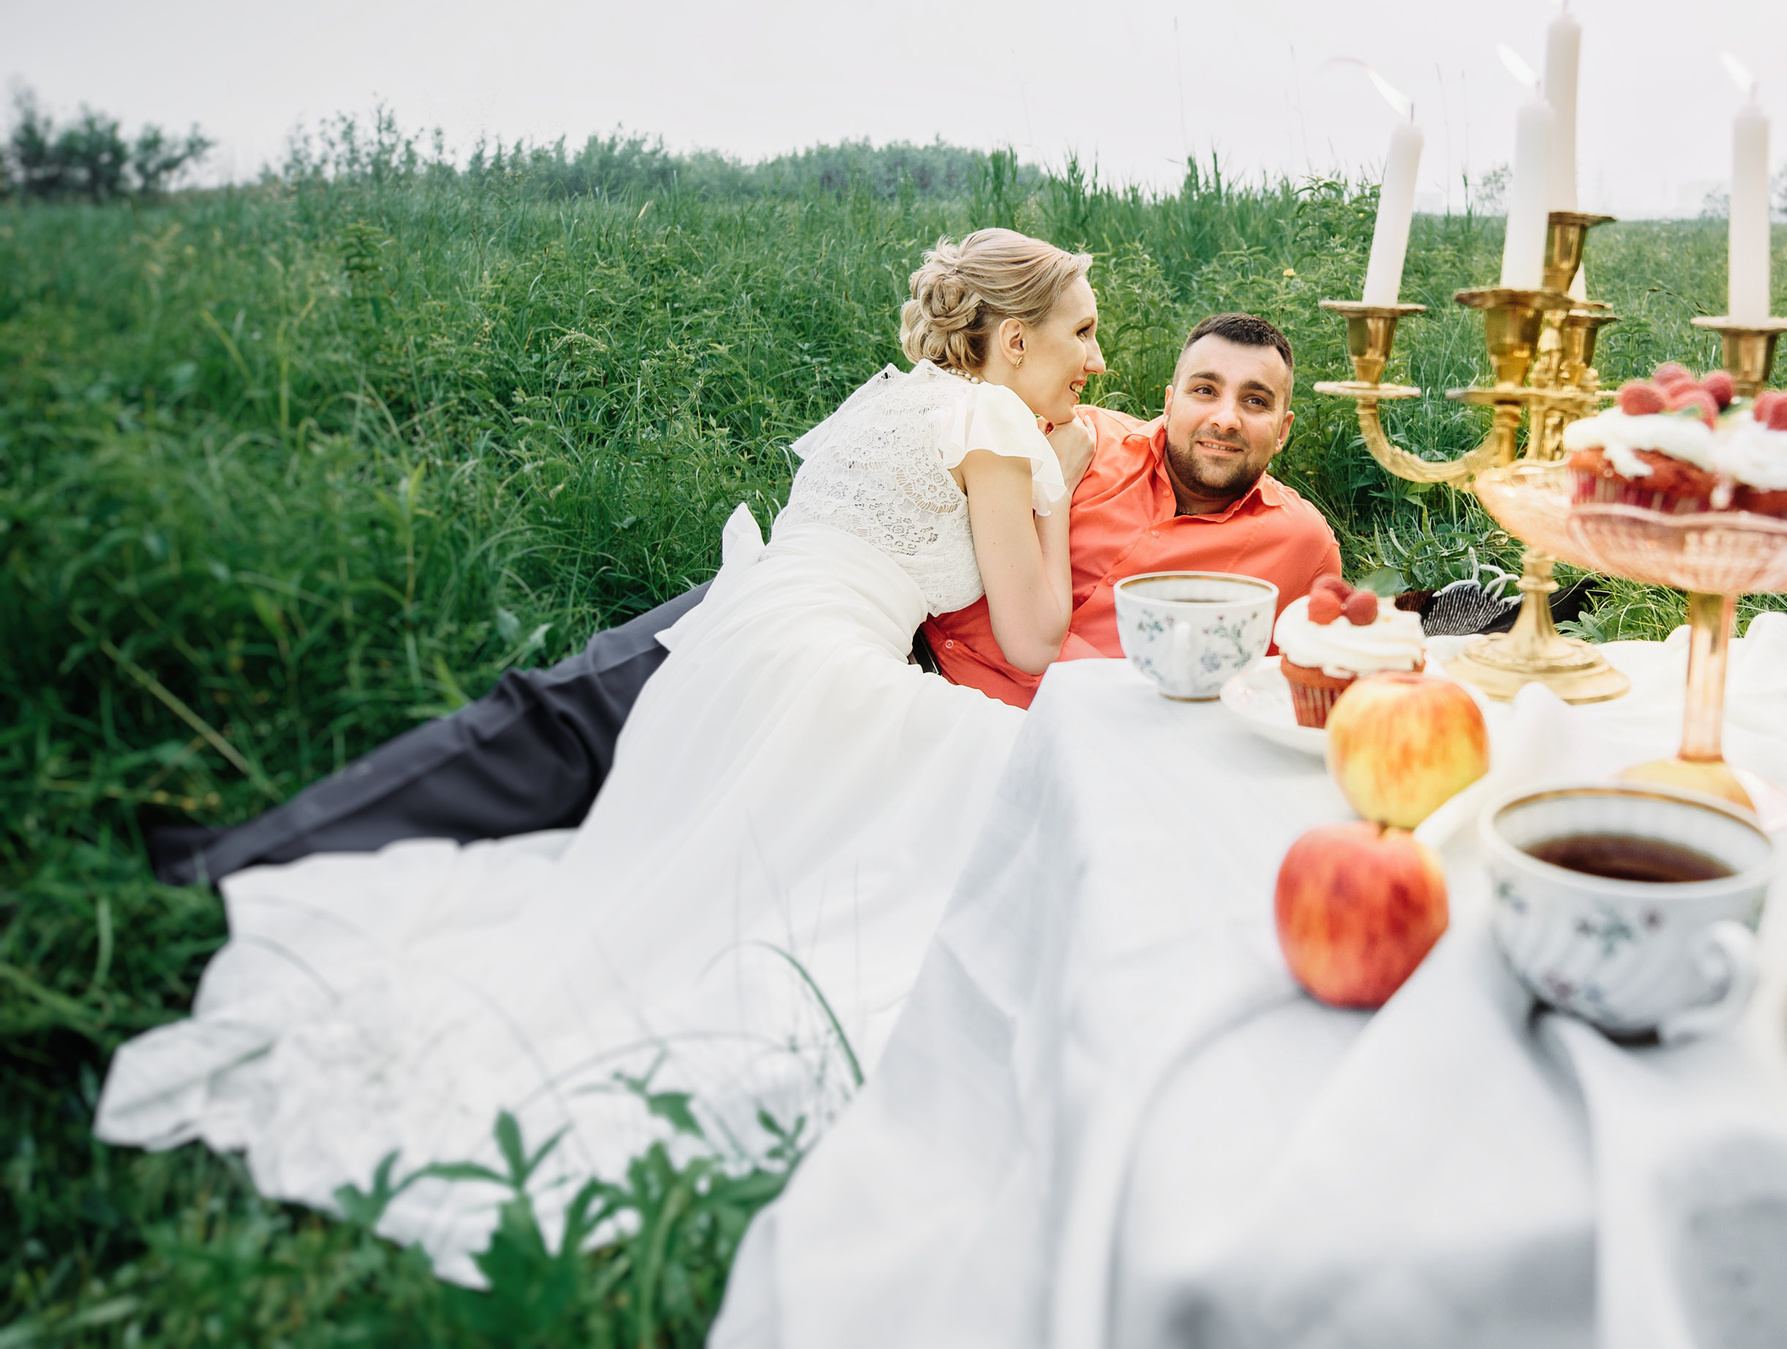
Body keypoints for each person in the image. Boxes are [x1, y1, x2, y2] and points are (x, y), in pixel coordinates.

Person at [95, 230, 1115, 1278]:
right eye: (1081, 331)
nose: (1094, 358)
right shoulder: (1001, 421)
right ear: (1014, 337)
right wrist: (1059, 487)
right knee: (1001, 770)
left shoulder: (890, 398)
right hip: (818, 658)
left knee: (681, 862)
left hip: (730, 637)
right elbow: (1035, 636)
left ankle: (255, 864)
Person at [147, 313, 1341, 885]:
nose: (1222, 416)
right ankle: (244, 858)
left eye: (1254, 400)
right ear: (1168, 393)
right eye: (1204, 387)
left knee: (705, 863)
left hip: (970, 741)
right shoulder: (1083, 438)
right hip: (874, 631)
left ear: (1285, 426)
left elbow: (1325, 667)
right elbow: (947, 405)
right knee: (567, 709)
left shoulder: (1293, 540)